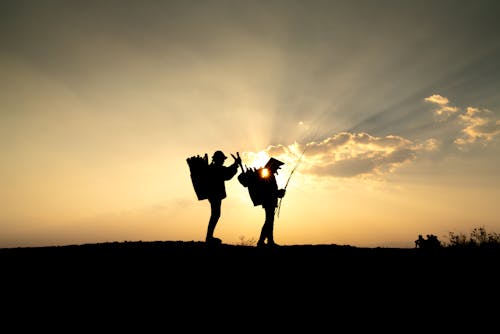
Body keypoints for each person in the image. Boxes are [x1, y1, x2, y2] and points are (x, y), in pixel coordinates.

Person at [205, 150, 241, 245]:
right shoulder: (215, 169)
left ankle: (209, 236)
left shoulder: (213, 168)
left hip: (213, 194)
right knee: (215, 214)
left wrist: (235, 164)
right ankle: (209, 237)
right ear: (218, 159)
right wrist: (236, 164)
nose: (223, 161)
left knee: (215, 214)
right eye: (222, 159)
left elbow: (226, 173)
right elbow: (227, 174)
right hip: (214, 194)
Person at [256, 157, 286, 247]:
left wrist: (278, 193)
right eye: (276, 167)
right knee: (269, 221)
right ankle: (263, 241)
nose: (277, 169)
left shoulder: (269, 176)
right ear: (272, 167)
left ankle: (269, 241)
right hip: (269, 201)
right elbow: (269, 191)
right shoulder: (268, 176)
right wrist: (278, 193)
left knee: (269, 220)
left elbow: (271, 191)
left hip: (269, 201)